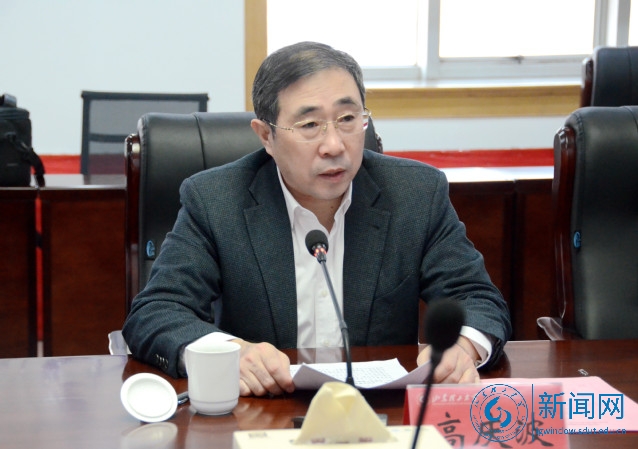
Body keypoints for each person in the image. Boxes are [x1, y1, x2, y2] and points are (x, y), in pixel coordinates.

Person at [122, 41, 511, 397]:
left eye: (347, 118)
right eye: (310, 125)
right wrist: (230, 353)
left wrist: (462, 347)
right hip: (263, 413)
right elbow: (156, 312)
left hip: (381, 413)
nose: (334, 145)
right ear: (266, 136)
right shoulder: (215, 200)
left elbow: (477, 298)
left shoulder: (415, 194)